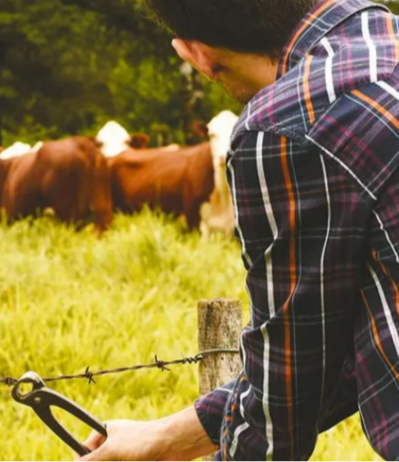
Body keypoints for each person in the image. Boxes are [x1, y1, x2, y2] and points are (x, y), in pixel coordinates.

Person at [80, 0, 399, 460]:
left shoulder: (290, 126)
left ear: (194, 55)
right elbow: (352, 345)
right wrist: (166, 438)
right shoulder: (384, 45)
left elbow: (279, 422)